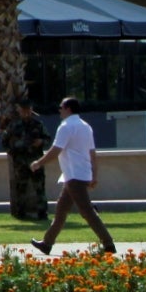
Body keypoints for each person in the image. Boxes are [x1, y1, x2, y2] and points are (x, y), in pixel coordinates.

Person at [31, 97, 114, 255]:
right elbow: (92, 153)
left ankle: (108, 243)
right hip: (76, 174)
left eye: (61, 107)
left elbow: (56, 150)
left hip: (75, 176)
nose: (59, 110)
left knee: (87, 211)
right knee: (61, 210)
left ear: (68, 109)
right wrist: (94, 174)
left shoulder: (66, 126)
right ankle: (47, 243)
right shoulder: (85, 126)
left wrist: (39, 163)